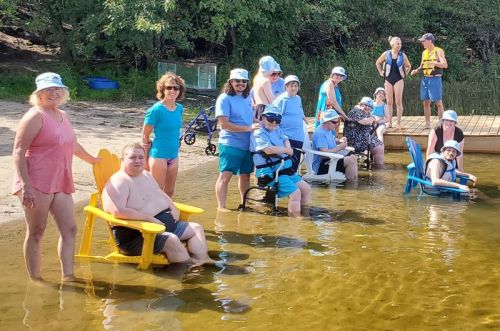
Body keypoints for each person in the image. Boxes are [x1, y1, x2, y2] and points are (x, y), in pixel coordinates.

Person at [12, 72, 99, 281]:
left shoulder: (63, 115)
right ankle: (36, 280)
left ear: (63, 92)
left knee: (69, 229)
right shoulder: (35, 116)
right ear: (39, 93)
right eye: (48, 89)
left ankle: (68, 276)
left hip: (60, 180)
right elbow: (18, 151)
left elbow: (72, 144)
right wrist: (26, 186)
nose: (53, 92)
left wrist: (93, 160)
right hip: (36, 182)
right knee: (37, 231)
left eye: (57, 88)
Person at [101, 144, 215, 265]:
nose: (138, 161)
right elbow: (118, 211)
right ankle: (189, 271)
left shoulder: (145, 174)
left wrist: (172, 207)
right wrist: (150, 218)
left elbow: (159, 192)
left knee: (196, 228)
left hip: (163, 227)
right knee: (172, 240)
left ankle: (203, 260)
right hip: (140, 235)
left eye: (141, 157)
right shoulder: (119, 181)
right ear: (122, 160)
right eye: (132, 157)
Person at [251, 105, 311, 217]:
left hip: (284, 169)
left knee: (306, 189)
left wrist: (287, 148)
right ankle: (296, 218)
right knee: (295, 193)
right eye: (271, 119)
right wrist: (286, 150)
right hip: (271, 172)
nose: (274, 123)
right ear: (263, 118)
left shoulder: (277, 128)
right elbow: (268, 150)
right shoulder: (258, 132)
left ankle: (306, 213)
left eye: (277, 121)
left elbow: (285, 139)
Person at [215, 68, 259, 211]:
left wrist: (262, 123)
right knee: (225, 176)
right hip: (230, 143)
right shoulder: (224, 98)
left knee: (245, 176)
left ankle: (244, 204)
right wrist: (248, 128)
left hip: (247, 144)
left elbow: (250, 117)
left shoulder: (247, 97)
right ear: (231, 82)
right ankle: (221, 207)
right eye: (237, 81)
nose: (240, 84)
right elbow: (224, 124)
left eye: (243, 81)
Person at [141, 72, 186, 198]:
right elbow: (145, 135)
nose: (173, 90)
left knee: (169, 191)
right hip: (159, 154)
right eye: (169, 87)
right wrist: (145, 158)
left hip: (173, 154)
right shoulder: (155, 110)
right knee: (156, 192)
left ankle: (165, 215)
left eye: (176, 87)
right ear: (163, 89)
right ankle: (151, 216)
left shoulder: (179, 108)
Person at [411, 33, 448, 129]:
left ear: (430, 41)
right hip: (425, 79)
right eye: (422, 41)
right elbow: (422, 65)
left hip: (435, 78)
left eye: (424, 41)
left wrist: (435, 63)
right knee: (425, 102)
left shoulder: (438, 51)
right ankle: (427, 124)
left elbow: (444, 64)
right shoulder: (424, 53)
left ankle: (441, 124)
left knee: (438, 103)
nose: (422, 42)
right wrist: (416, 70)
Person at [375, 36, 411, 129]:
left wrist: (405, 74)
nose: (399, 45)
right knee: (389, 102)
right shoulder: (386, 54)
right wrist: (380, 72)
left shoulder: (402, 55)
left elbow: (408, 66)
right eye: (397, 43)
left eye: (400, 44)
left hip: (399, 79)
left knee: (398, 102)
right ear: (392, 44)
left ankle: (398, 123)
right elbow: (378, 62)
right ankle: (390, 123)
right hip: (388, 79)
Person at [273, 75, 307, 173]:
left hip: (298, 137)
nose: (294, 88)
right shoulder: (281, 99)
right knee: (285, 165)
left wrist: (304, 118)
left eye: (296, 85)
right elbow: (273, 116)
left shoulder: (298, 98)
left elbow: (300, 110)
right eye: (291, 85)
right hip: (286, 137)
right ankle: (283, 186)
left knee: (294, 166)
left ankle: (293, 186)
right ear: (286, 87)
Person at [312, 110, 358, 180]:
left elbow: (333, 139)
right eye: (334, 122)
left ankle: (354, 182)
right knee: (350, 160)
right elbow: (324, 154)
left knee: (353, 157)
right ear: (326, 121)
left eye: (338, 122)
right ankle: (351, 185)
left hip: (331, 160)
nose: (337, 124)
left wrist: (340, 141)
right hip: (321, 165)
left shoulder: (328, 130)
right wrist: (340, 147)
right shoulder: (320, 133)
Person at [344, 97, 385, 165]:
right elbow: (365, 121)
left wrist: (372, 118)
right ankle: (379, 169)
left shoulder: (365, 112)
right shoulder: (355, 111)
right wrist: (372, 119)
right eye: (365, 105)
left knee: (380, 145)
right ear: (361, 104)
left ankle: (377, 164)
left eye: (369, 106)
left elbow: (372, 119)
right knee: (379, 148)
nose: (367, 107)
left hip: (363, 138)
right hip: (355, 141)